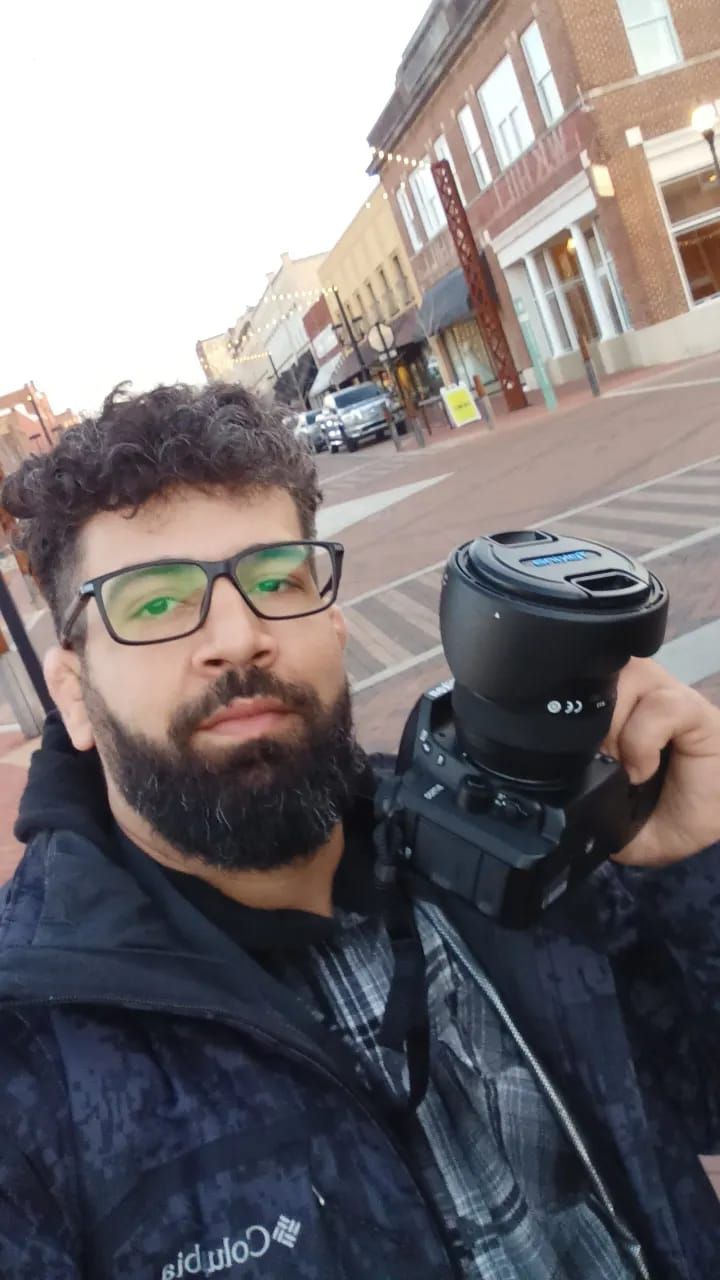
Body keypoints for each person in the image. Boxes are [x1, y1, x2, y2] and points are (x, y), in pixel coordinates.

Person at [0, 382, 718, 1280]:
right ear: (72, 691)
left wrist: (699, 859)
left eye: (276, 580)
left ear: (334, 624)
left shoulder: (510, 848)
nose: (240, 635)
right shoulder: (31, 1061)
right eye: (152, 603)